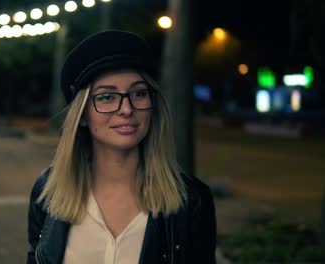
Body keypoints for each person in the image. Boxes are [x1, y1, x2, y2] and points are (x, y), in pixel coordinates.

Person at [27, 30, 216, 264]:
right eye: (107, 97)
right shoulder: (48, 191)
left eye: (138, 93)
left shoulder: (192, 201)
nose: (126, 109)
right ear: (83, 114)